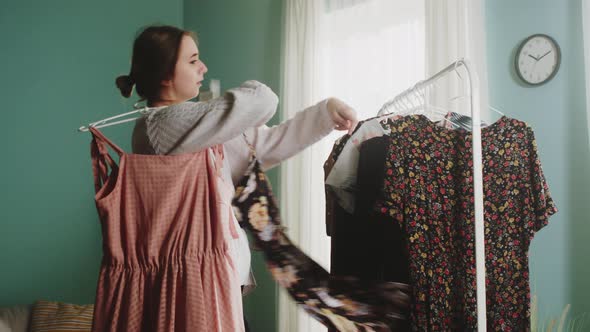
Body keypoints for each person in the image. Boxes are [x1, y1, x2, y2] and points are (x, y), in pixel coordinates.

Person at [106, 25, 408, 331]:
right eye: (193, 60)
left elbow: (265, 145)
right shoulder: (161, 127)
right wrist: (229, 101)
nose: (203, 67)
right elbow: (262, 100)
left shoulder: (197, 128)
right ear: (165, 76)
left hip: (219, 282)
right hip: (198, 285)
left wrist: (326, 112)